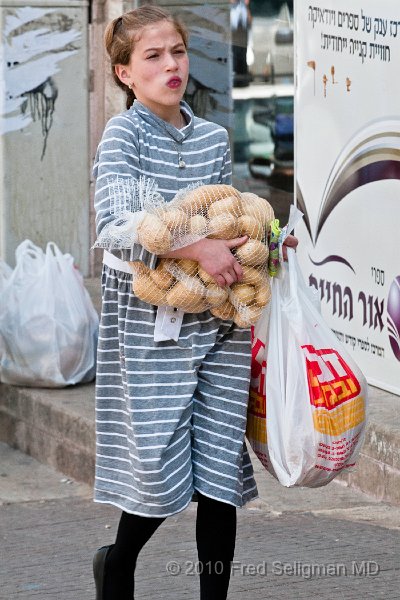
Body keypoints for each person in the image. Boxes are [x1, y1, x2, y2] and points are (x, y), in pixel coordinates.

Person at [92, 6, 297, 600]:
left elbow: (225, 213)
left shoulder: (212, 136)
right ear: (125, 72)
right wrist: (195, 246)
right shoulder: (122, 135)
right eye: (152, 56)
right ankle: (118, 564)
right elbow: (115, 225)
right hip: (149, 325)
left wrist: (261, 243)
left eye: (177, 51)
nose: (171, 65)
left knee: (217, 475)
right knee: (157, 468)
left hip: (219, 321)